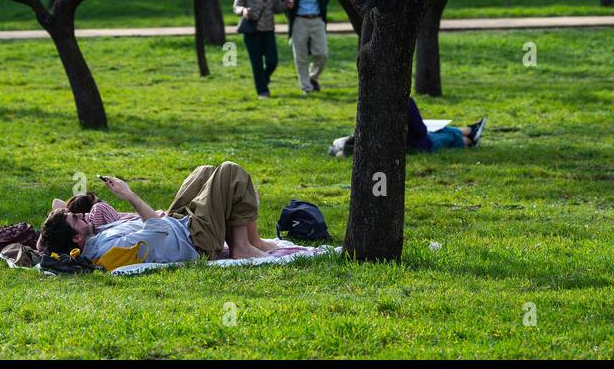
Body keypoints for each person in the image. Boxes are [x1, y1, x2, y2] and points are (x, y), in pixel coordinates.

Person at [38, 163, 280, 265]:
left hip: (177, 224)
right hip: (195, 240)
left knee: (205, 172)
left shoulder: (91, 238)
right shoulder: (106, 248)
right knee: (230, 171)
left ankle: (251, 241)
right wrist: (130, 196)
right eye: (76, 219)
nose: (82, 216)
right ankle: (242, 247)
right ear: (75, 239)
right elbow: (158, 230)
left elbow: (57, 207)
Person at [335, 98, 485, 156]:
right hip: (417, 144)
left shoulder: (370, 100)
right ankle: (471, 139)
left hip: (410, 140)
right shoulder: (406, 101)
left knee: (443, 130)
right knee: (448, 136)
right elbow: (420, 131)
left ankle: (471, 131)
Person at [233, 0, 280, 98]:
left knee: (273, 61)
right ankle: (262, 91)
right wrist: (243, 11)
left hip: (268, 29)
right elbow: (236, 6)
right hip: (252, 30)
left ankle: (262, 80)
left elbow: (276, 8)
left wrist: (286, 5)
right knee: (257, 63)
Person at [281, 0, 330, 94]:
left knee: (322, 54)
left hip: (318, 19)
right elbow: (283, 3)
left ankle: (312, 77)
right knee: (300, 56)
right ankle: (306, 87)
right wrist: (287, 5)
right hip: (299, 21)